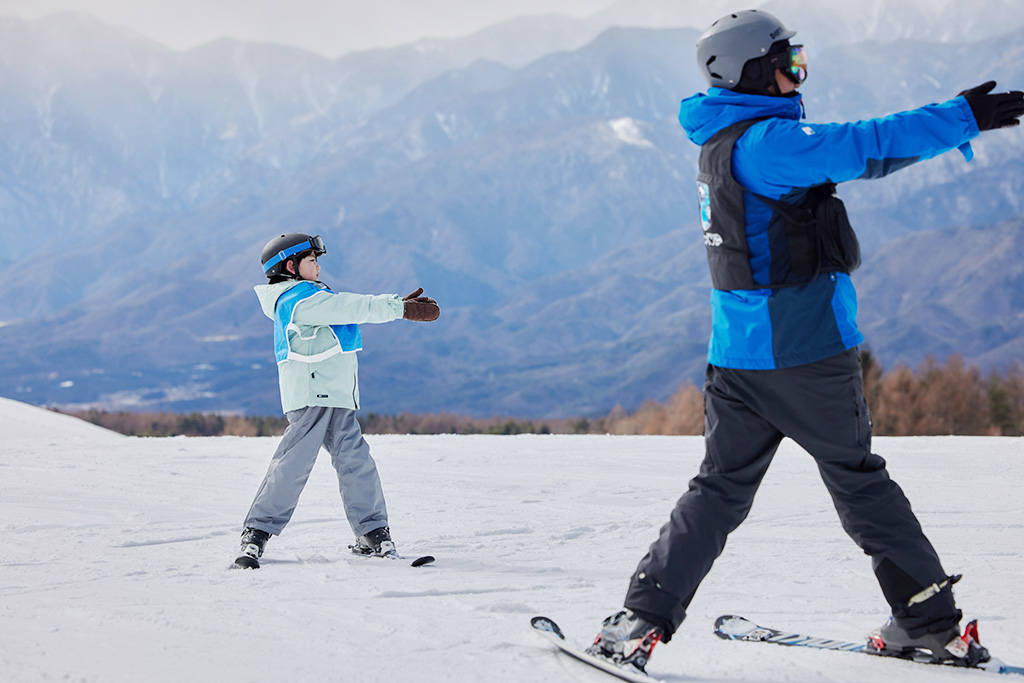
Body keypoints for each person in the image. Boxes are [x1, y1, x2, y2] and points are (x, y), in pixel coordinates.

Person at [585, 9, 1024, 673]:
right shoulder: (770, 144)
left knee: (718, 489)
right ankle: (929, 622)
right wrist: (961, 116)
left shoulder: (728, 140)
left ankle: (639, 620)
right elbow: (861, 141)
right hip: (809, 355)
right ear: (751, 72)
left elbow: (864, 157)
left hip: (737, 359)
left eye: (800, 62)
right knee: (859, 482)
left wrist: (955, 126)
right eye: (788, 65)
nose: (798, 76)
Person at [234, 232, 440, 569]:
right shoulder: (296, 299)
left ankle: (372, 532)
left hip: (338, 396)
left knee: (356, 461)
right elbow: (349, 306)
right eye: (312, 260)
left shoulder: (313, 295)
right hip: (312, 396)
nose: (318, 266)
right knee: (294, 464)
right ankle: (257, 532)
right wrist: (398, 308)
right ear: (291, 266)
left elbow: (342, 313)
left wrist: (396, 306)